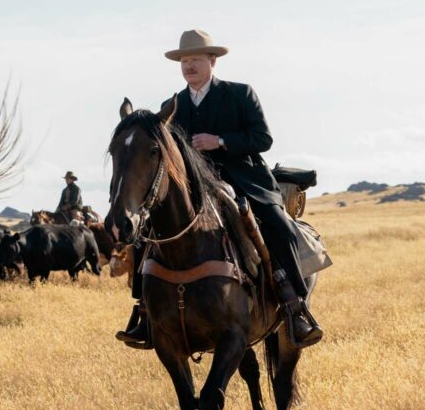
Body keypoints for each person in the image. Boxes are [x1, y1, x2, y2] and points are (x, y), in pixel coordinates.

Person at [116, 29, 322, 349]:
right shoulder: (172, 106)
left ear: (212, 61)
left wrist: (220, 141)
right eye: (184, 61)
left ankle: (295, 306)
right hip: (194, 188)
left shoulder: (241, 94)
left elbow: (262, 139)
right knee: (148, 234)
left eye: (196, 59)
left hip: (245, 181)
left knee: (279, 227)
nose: (189, 66)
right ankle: (143, 313)